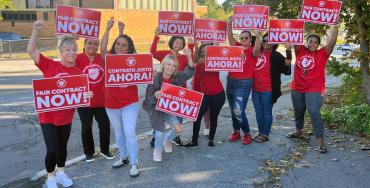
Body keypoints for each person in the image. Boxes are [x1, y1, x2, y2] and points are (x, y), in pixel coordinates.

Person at [27, 20, 92, 188]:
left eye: (74, 49)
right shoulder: (49, 65)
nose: (71, 52)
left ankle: (61, 172)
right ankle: (50, 177)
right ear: (60, 51)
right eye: (67, 49)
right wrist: (35, 30)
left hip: (65, 118)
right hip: (47, 117)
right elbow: (31, 50)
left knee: (63, 148)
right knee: (52, 149)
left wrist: (86, 94)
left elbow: (80, 96)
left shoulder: (77, 72)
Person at [287, 25, 339, 153]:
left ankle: (320, 140)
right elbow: (296, 36)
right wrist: (299, 22)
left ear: (318, 45)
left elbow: (331, 43)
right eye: (310, 41)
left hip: (314, 88)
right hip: (297, 87)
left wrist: (336, 27)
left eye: (316, 42)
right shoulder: (301, 51)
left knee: (314, 112)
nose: (312, 44)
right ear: (307, 42)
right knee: (298, 110)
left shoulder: (322, 54)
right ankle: (299, 130)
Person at [100, 18, 140, 177]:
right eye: (117, 44)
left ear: (129, 49)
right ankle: (123, 157)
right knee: (118, 132)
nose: (119, 47)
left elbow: (142, 72)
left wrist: (122, 34)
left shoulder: (134, 61)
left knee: (129, 132)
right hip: (111, 103)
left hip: (129, 102)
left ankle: (134, 162)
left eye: (123, 46)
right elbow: (103, 49)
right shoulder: (109, 59)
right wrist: (108, 29)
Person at [143, 51, 194, 161]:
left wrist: (189, 56)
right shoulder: (155, 78)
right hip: (156, 108)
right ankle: (157, 150)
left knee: (179, 129)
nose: (170, 68)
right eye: (168, 64)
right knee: (159, 132)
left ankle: (167, 140)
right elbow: (148, 99)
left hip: (168, 108)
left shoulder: (177, 77)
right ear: (164, 64)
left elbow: (190, 71)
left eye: (173, 65)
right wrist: (155, 96)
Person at [150, 29, 195, 146]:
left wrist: (191, 45)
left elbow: (191, 64)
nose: (178, 45)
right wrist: (156, 37)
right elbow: (153, 52)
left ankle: (175, 136)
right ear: (172, 43)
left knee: (178, 118)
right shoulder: (164, 54)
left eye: (181, 43)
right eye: (176, 42)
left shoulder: (184, 57)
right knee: (162, 117)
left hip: (179, 91)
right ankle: (156, 137)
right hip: (164, 90)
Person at [76, 38, 114, 162]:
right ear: (84, 44)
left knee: (104, 125)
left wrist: (111, 29)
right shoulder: (77, 58)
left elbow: (118, 60)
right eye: (90, 43)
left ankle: (105, 150)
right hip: (84, 100)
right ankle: (89, 152)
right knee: (86, 127)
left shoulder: (102, 58)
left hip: (101, 100)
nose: (92, 46)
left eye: (95, 44)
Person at [226, 18, 262, 145]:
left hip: (244, 84)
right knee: (232, 110)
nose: (243, 40)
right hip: (230, 82)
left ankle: (247, 133)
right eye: (241, 38)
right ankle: (236, 131)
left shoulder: (252, 51)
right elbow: (229, 35)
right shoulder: (236, 47)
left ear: (250, 39)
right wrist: (229, 23)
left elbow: (257, 48)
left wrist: (258, 35)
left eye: (246, 38)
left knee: (238, 110)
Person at [183, 43, 226, 148]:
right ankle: (194, 141)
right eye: (202, 51)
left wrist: (240, 57)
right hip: (205, 94)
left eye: (207, 51)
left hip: (218, 94)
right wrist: (194, 47)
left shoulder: (217, 60)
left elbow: (230, 58)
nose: (204, 53)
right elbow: (194, 61)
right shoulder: (199, 62)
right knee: (197, 117)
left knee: (213, 118)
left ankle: (211, 140)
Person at [252, 34, 292, 143]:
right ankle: (260, 132)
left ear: (274, 43)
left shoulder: (276, 55)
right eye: (264, 40)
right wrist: (257, 34)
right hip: (255, 89)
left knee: (266, 112)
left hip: (268, 90)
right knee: (258, 112)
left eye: (268, 41)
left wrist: (288, 50)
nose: (266, 43)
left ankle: (265, 134)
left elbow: (287, 65)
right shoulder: (256, 52)